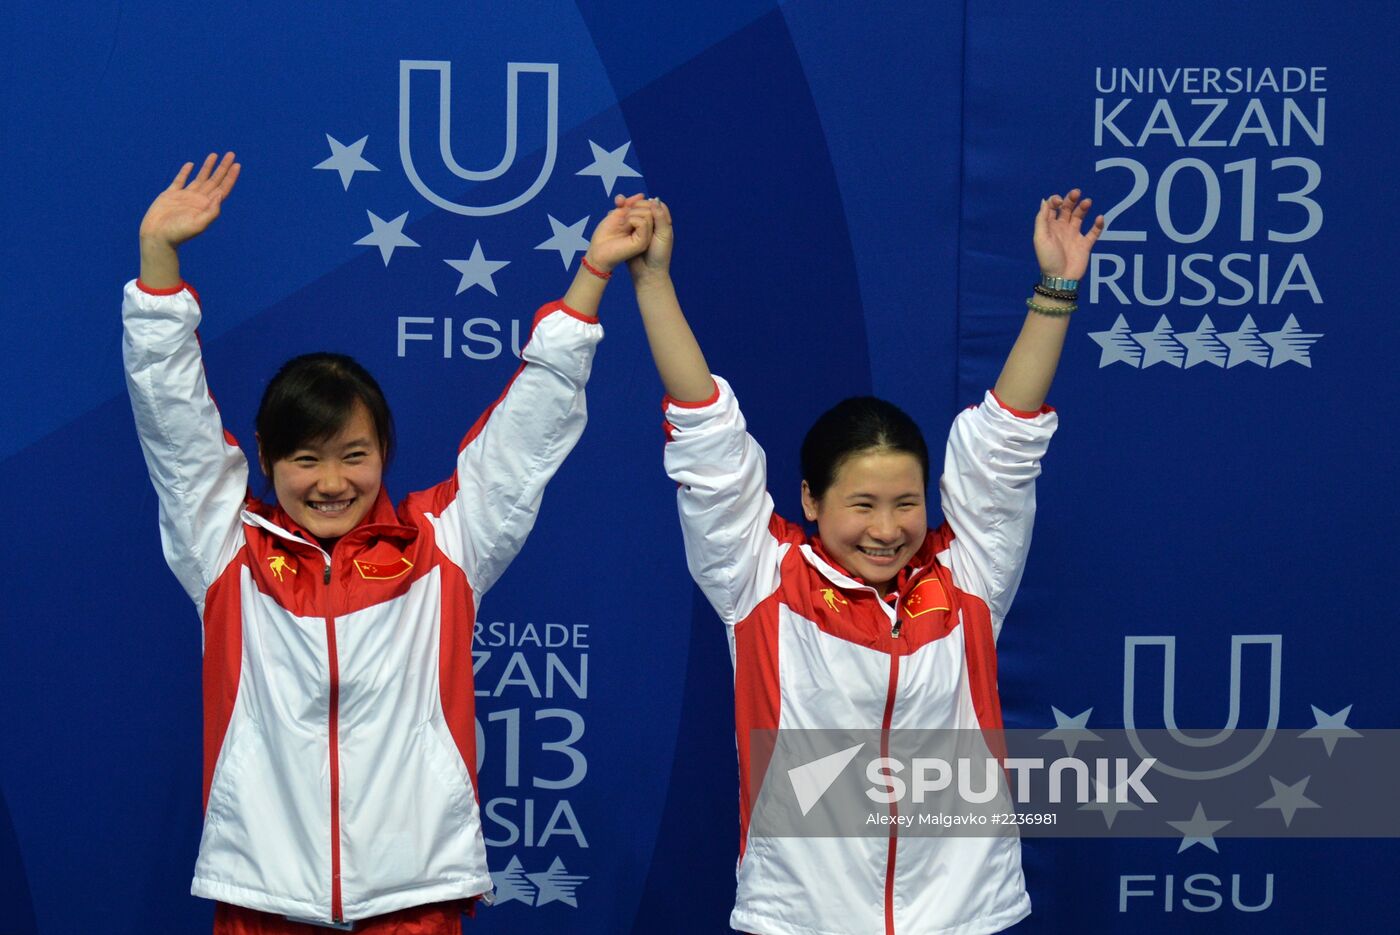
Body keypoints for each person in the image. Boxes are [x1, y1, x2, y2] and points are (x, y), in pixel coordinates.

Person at [123, 152, 652, 934]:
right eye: (305, 458)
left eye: (353, 455)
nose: (331, 480)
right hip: (265, 898)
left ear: (385, 454)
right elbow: (173, 422)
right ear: (266, 457)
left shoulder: (443, 546)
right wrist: (158, 266)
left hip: (414, 899)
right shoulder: (227, 550)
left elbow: (528, 427)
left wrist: (592, 279)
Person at [626, 190, 1103, 934]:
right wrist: (652, 281)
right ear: (810, 499)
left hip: (963, 916)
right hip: (800, 918)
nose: (888, 529)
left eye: (907, 502)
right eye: (863, 504)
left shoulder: (970, 574)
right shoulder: (761, 576)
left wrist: (1057, 289)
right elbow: (707, 435)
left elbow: (1006, 443)